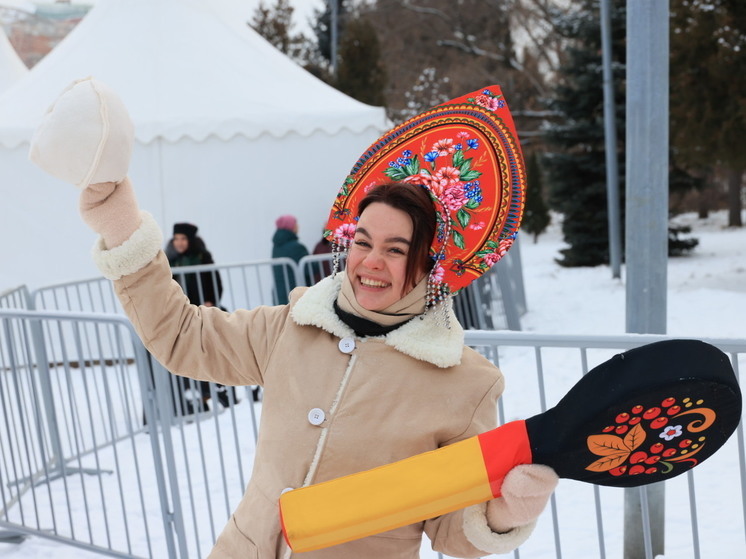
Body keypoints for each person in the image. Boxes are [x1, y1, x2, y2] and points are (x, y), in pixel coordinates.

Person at [30, 78, 558, 559]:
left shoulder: (463, 384)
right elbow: (183, 335)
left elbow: (450, 530)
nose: (371, 261)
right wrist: (123, 229)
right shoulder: (291, 326)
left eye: (396, 250)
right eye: (363, 242)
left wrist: (503, 514)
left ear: (429, 264)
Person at [165, 222, 237, 411]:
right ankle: (196, 394)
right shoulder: (170, 260)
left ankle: (220, 390)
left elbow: (215, 281)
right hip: (183, 314)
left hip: (203, 312)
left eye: (183, 238)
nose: (179, 242)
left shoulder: (202, 256)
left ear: (190, 240)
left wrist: (210, 301)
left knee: (212, 350)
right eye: (176, 238)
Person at [271, 214, 309, 304]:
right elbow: (308, 268)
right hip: (294, 291)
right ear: (290, 226)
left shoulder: (276, 246)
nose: (298, 226)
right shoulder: (295, 247)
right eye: (295, 223)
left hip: (280, 292)